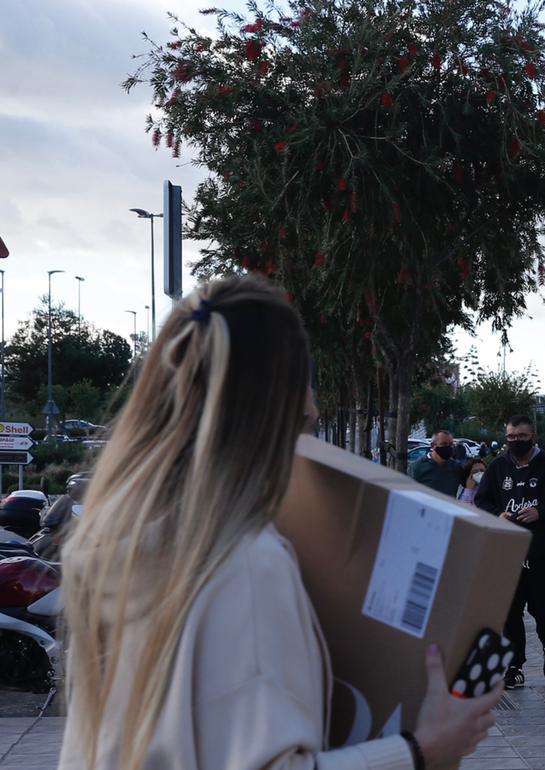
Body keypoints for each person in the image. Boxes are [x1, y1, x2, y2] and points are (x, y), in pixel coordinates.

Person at [58, 277, 499, 770]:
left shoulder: (116, 543)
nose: (313, 412)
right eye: (307, 414)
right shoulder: (246, 563)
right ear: (285, 409)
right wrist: (424, 748)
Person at [474, 415, 545, 690]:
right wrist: (499, 514)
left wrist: (540, 512)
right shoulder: (498, 467)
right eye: (511, 436)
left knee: (544, 611)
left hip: (542, 553)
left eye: (521, 436)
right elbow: (481, 500)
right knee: (509, 612)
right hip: (508, 553)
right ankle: (514, 666)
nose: (515, 441)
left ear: (533, 437)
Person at [408, 430, 461, 497]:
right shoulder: (417, 467)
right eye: (444, 444)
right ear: (433, 445)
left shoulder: (456, 467)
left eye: (451, 444)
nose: (448, 447)